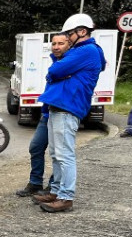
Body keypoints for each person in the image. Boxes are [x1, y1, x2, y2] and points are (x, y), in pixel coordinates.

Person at [33, 14, 106, 213]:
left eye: (70, 34)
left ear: (82, 32)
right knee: (56, 154)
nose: (68, 37)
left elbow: (55, 71)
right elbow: (56, 70)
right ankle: (56, 191)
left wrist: (62, 72)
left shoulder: (87, 50)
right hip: (59, 106)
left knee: (65, 155)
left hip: (68, 106)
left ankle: (66, 196)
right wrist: (62, 72)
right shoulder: (82, 51)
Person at [15, 32, 71, 197]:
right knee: (36, 147)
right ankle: (35, 183)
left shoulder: (69, 64)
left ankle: (54, 186)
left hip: (61, 113)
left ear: (69, 45)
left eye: (60, 43)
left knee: (58, 153)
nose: (56, 47)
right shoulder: (55, 62)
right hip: (47, 113)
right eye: (54, 44)